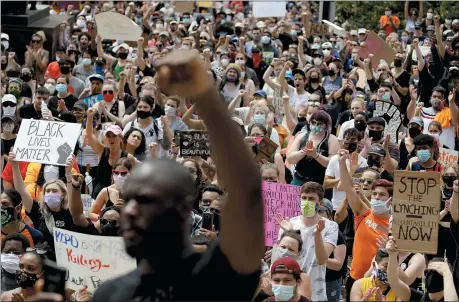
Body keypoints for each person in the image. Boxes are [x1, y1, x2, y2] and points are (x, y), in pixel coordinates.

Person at [91, 50, 263, 301]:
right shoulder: (109, 294)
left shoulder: (215, 277)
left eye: (146, 200)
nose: (129, 211)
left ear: (183, 208)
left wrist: (204, 95)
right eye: (128, 200)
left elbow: (248, 196)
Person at [339, 149, 392, 301]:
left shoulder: (395, 224)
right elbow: (349, 188)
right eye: (375, 194)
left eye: (382, 195)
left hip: (381, 282)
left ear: (390, 199)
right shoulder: (364, 213)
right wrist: (343, 164)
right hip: (355, 279)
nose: (376, 197)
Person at [275, 182, 338, 301]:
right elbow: (281, 260)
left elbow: (322, 260)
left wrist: (318, 234)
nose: (306, 201)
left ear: (320, 204)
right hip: (290, 290)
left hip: (316, 292)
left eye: (311, 199)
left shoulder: (330, 226)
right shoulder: (289, 224)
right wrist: (291, 233)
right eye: (304, 198)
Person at [387, 237, 459, 302]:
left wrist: (447, 273)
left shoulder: (453, 296)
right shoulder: (420, 298)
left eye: (438, 271)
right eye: (428, 271)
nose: (431, 275)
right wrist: (393, 255)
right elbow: (394, 281)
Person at [288, 111, 340, 187]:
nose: (316, 126)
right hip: (299, 180)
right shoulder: (301, 136)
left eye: (319, 124)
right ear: (309, 122)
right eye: (314, 122)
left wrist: (316, 155)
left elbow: (332, 163)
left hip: (319, 182)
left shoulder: (332, 139)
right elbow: (290, 158)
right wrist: (303, 152)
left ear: (326, 125)